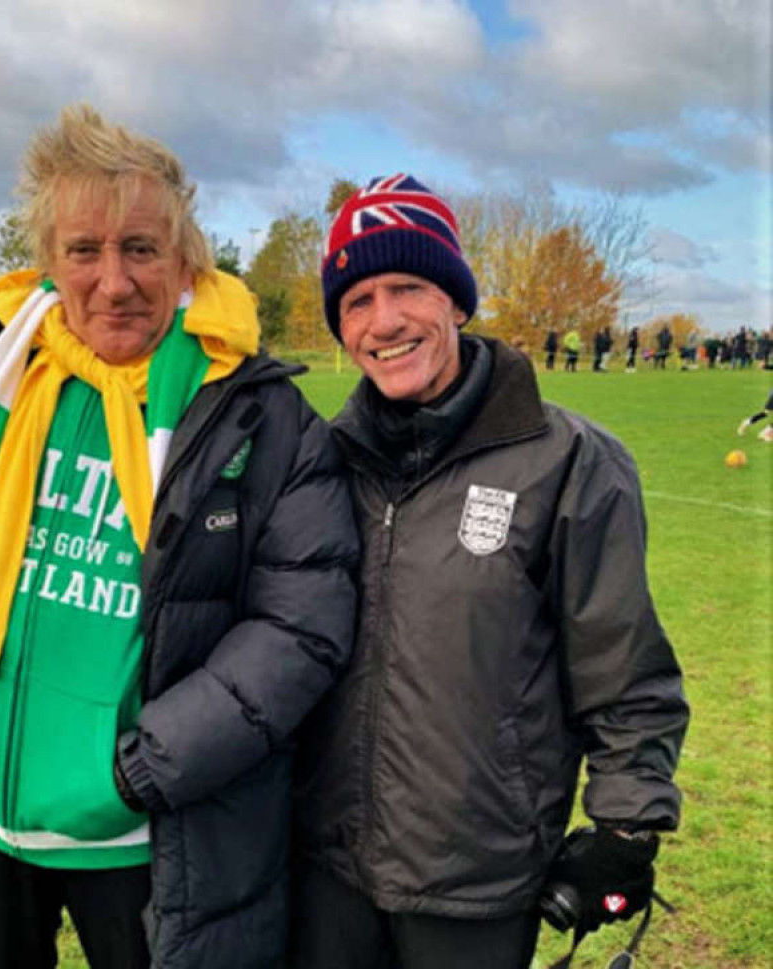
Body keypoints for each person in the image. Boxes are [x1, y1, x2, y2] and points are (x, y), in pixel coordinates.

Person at [0, 104, 359, 969]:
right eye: (84, 251)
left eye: (141, 248)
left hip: (147, 836)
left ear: (186, 259)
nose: (113, 281)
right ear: (50, 262)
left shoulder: (260, 415)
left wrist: (143, 770)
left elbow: (301, 625)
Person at [290, 174, 689, 969]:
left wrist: (626, 826)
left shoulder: (571, 461)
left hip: (478, 876)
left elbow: (625, 668)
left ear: (456, 301)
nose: (386, 320)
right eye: (358, 299)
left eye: (408, 286)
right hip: (327, 867)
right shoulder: (318, 459)